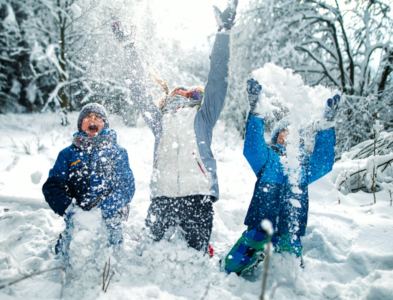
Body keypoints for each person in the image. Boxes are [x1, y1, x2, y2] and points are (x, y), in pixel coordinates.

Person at [111, 0, 238, 254]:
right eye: (176, 90)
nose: (180, 90)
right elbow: (139, 90)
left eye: (187, 90)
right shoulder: (159, 121)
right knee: (147, 254)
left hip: (197, 196)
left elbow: (217, 80)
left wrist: (223, 33)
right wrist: (128, 48)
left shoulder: (203, 116)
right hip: (163, 197)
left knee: (195, 258)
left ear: (195, 96)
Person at [222, 78, 340, 275]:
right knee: (232, 266)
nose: (289, 135)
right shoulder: (268, 158)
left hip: (289, 230)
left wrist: (326, 128)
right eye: (284, 132)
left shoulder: (304, 165)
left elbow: (324, 162)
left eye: (294, 133)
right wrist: (257, 115)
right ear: (277, 136)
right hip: (260, 227)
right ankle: (253, 259)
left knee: (290, 272)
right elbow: (252, 149)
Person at [42, 103, 135, 261]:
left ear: (104, 125)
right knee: (72, 257)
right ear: (80, 125)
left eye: (98, 117)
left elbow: (126, 186)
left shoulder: (117, 152)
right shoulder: (68, 154)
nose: (93, 118)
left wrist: (106, 209)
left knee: (111, 259)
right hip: (77, 217)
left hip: (109, 217)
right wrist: (70, 209)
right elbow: (52, 187)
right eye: (87, 117)